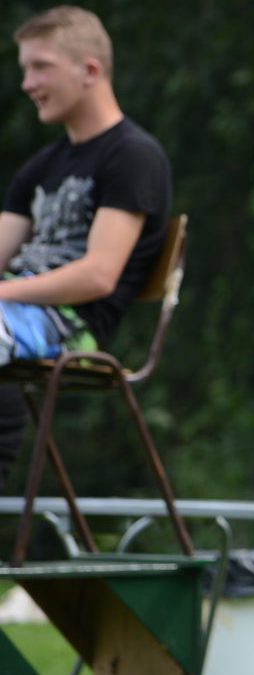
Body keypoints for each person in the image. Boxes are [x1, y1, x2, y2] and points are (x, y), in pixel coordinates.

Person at [0, 5, 172, 490]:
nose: (28, 84)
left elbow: (98, 275)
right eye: (25, 69)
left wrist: (3, 293)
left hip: (69, 324)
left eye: (41, 67)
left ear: (90, 71)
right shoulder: (40, 167)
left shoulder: (133, 156)